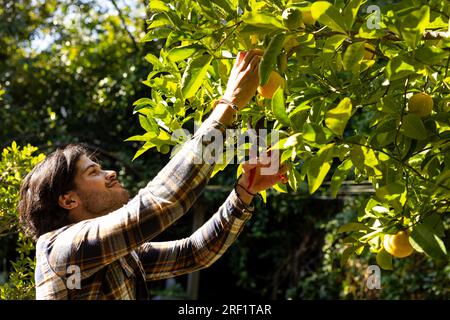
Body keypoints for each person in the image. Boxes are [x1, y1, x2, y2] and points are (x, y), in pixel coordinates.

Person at [18, 50, 289, 300]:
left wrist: (244, 192)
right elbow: (160, 203)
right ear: (68, 200)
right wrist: (228, 105)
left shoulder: (120, 256)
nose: (111, 173)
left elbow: (192, 254)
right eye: (94, 172)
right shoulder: (61, 250)